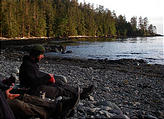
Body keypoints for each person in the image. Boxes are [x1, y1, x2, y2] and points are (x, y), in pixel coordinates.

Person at [19, 44, 94, 99]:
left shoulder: (32, 63)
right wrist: (48, 77)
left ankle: (80, 91)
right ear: (35, 55)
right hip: (32, 90)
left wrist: (49, 78)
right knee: (59, 90)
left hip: (36, 86)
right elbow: (33, 83)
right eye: (41, 55)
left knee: (58, 82)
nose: (43, 56)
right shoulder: (28, 65)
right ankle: (79, 95)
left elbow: (36, 77)